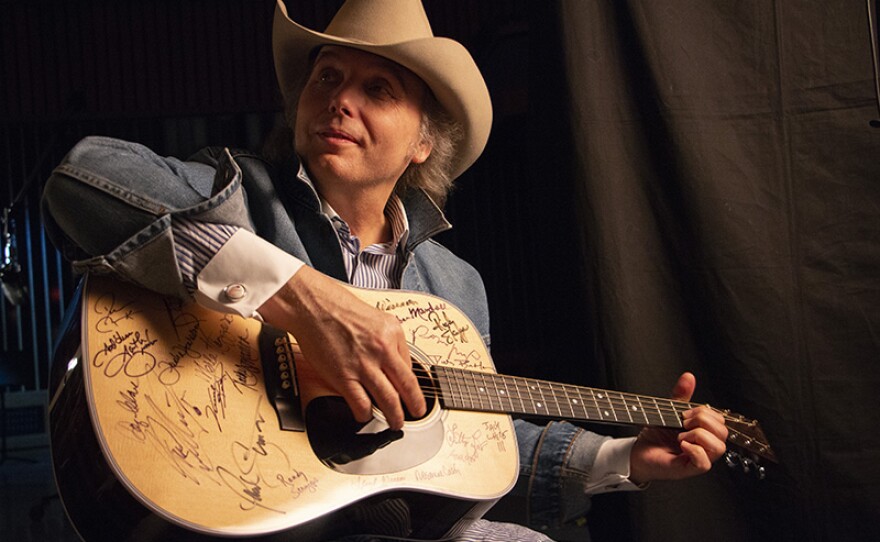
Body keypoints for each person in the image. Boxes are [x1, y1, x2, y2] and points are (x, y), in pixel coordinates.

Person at [42, 1, 728, 540]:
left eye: (377, 89)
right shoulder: (236, 191)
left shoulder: (456, 288)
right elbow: (84, 178)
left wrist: (624, 460)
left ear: (423, 141)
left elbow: (475, 449)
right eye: (329, 78)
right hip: (235, 510)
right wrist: (303, 300)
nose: (342, 100)